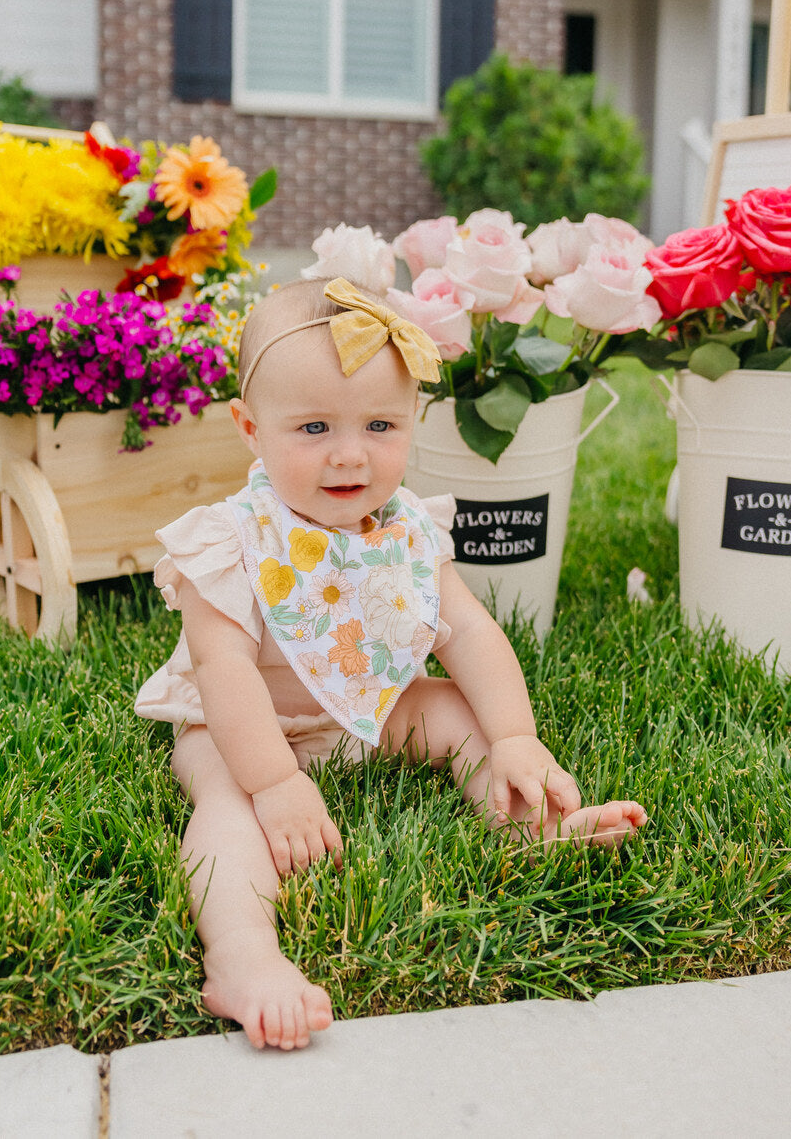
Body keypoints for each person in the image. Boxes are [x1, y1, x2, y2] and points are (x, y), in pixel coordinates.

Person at [135, 277, 647, 1052]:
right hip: (244, 727)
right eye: (313, 427)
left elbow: (468, 632)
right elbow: (224, 671)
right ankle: (243, 954)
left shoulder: (410, 530)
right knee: (225, 801)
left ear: (413, 420)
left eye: (380, 424)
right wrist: (275, 782)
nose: (350, 453)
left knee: (451, 707)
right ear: (250, 428)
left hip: (365, 710)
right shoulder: (231, 539)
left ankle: (532, 823)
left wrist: (514, 734)